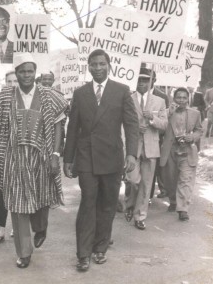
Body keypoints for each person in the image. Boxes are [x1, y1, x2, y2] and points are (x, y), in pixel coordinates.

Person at [63, 49, 139, 272]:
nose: (97, 68)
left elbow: (132, 125)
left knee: (107, 205)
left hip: (112, 157)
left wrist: (132, 154)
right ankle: (83, 254)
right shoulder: (80, 93)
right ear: (88, 67)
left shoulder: (122, 91)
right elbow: (73, 128)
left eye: (101, 64)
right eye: (93, 64)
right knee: (87, 203)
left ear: (109, 65)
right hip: (86, 158)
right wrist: (69, 158)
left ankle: (100, 248)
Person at [0, 53, 67, 269]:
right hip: (13, 158)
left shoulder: (48, 95)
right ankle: (24, 252)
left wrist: (55, 154)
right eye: (22, 71)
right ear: (16, 73)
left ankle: (41, 227)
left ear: (36, 72)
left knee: (41, 198)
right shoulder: (6, 95)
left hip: (41, 157)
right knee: (16, 204)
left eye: (30, 71)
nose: (26, 75)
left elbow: (59, 124)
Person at [124, 67, 167, 230]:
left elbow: (164, 125)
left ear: (151, 82)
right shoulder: (128, 98)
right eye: (139, 80)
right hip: (133, 147)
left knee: (146, 183)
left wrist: (152, 119)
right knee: (133, 180)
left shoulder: (159, 101)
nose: (141, 83)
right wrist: (135, 129)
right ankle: (130, 204)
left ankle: (140, 215)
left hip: (151, 147)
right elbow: (122, 122)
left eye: (145, 80)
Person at [160, 87, 203, 221]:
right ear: (174, 98)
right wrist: (168, 114)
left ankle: (183, 208)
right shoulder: (166, 112)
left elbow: (199, 130)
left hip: (187, 150)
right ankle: (173, 201)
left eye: (184, 98)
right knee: (170, 179)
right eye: (179, 97)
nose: (181, 100)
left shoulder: (195, 113)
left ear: (188, 99)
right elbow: (159, 129)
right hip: (170, 150)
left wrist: (193, 137)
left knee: (185, 179)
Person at [0, 70, 17, 245]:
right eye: (9, 81)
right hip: (4, 153)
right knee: (2, 191)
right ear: (4, 83)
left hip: (22, 154)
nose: (13, 84)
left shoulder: (28, 100)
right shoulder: (0, 102)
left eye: (15, 81)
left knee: (20, 190)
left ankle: (18, 226)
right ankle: (0, 229)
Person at [149, 72, 170, 199]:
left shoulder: (162, 97)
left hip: (156, 137)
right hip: (138, 138)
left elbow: (164, 119)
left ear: (154, 80)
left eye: (148, 79)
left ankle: (148, 197)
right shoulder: (132, 94)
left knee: (152, 168)